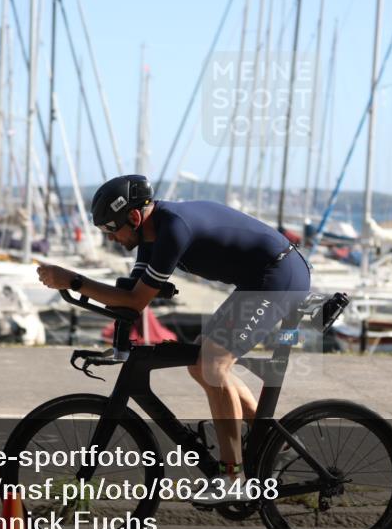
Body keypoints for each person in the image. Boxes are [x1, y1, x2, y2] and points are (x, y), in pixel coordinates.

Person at [36, 175, 310, 502]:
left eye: (111, 229)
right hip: (261, 278)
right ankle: (271, 448)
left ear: (134, 218)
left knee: (213, 365)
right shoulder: (151, 237)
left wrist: (75, 280)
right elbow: (129, 296)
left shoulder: (173, 230)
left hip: (279, 275)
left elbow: (135, 301)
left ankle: (233, 477)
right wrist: (117, 341)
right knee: (202, 365)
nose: (110, 239)